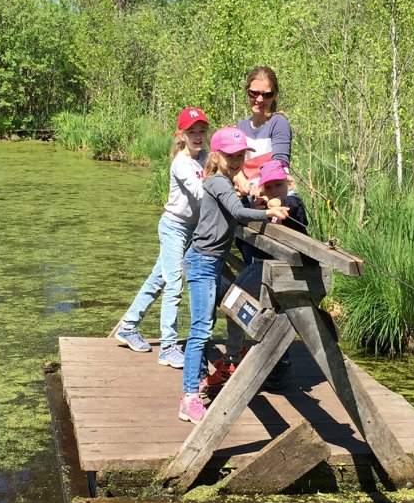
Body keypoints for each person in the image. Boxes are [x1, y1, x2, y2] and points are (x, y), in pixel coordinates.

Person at [178, 128, 289, 423]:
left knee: (236, 306)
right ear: (217, 155)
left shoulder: (224, 182)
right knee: (201, 329)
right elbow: (238, 214)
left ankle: (227, 363)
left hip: (211, 264)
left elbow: (236, 209)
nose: (237, 161)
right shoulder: (217, 181)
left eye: (241, 156)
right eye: (231, 156)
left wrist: (259, 205)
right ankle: (189, 397)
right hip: (202, 263)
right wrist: (267, 214)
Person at [113, 107, 210, 368]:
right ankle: (168, 347)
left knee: (158, 279)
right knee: (174, 284)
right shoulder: (181, 163)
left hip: (192, 229)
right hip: (174, 228)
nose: (198, 136)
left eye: (202, 131)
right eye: (192, 132)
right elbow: (201, 193)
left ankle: (128, 326)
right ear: (181, 135)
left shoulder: (206, 158)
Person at [209, 159, 308, 393]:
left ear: (289, 183)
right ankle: (238, 355)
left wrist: (275, 201)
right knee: (236, 301)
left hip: (292, 275)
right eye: (269, 187)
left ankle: (269, 362)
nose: (273, 191)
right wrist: (251, 204)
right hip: (265, 270)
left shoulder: (294, 203)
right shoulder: (261, 208)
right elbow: (244, 215)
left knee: (240, 302)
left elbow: (291, 205)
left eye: (278, 185)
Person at [234, 66, 292, 198]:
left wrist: (260, 187)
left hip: (272, 196)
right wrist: (240, 179)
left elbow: (280, 163)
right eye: (254, 93)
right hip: (247, 198)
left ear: (274, 95)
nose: (259, 99)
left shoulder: (278, 123)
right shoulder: (240, 127)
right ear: (247, 92)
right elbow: (232, 163)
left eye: (266, 94)